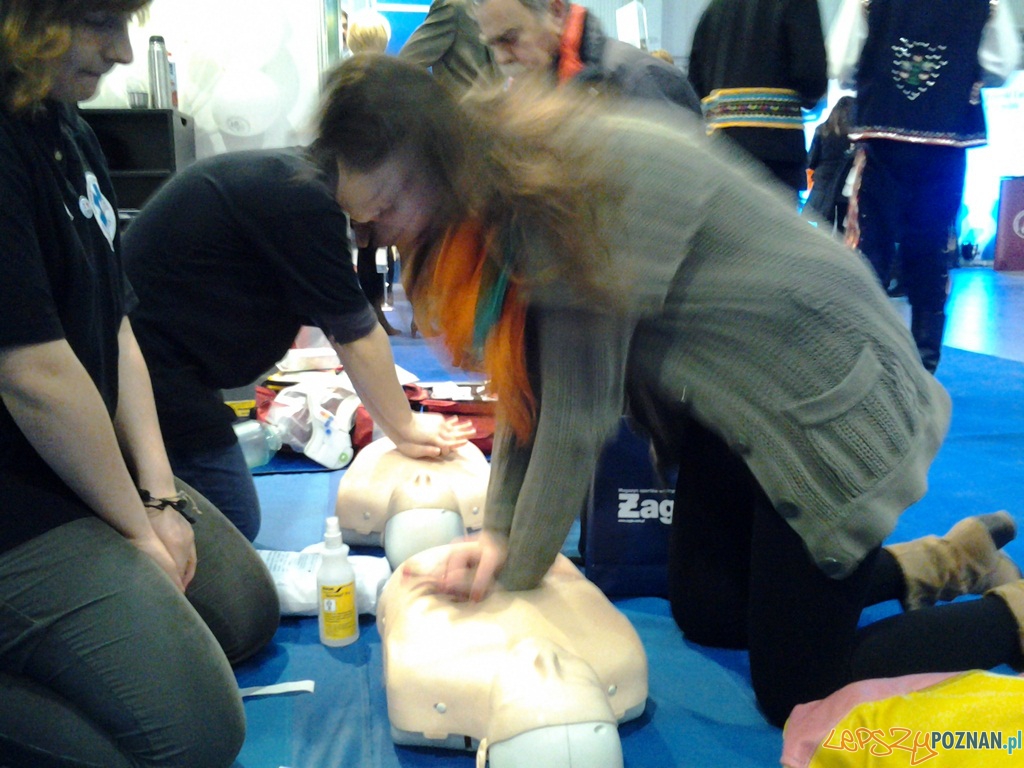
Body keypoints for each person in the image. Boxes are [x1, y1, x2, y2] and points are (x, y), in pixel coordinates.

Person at [312, 55, 1024, 729]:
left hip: (824, 402)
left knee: (801, 689)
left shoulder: (562, 190)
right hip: (736, 405)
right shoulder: (495, 191)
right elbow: (532, 392)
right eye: (366, 217)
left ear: (436, 158)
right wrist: (499, 537)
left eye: (390, 203)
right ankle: (940, 560)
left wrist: (512, 562)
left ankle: (1010, 614)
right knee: (709, 612)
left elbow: (579, 408)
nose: (383, 229)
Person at [0, 3, 280, 765]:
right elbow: (32, 371)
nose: (122, 52)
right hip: (18, 501)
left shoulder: (70, 130)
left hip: (74, 464)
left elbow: (113, 325)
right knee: (191, 737)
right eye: (98, 22)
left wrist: (158, 494)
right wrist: (133, 528)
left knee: (245, 613)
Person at [828, 0, 1020, 374]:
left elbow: (843, 65)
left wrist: (873, 75)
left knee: (872, 245)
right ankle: (924, 364)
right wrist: (958, 75)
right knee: (931, 247)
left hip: (884, 132)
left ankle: (865, 361)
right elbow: (1001, 66)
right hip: (945, 137)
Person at [688, 0, 828, 197]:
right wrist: (812, 99)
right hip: (775, 154)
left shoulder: (714, 8)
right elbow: (811, 76)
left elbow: (694, 84)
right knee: (774, 227)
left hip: (719, 153)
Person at [471, 0, 701, 114]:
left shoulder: (640, 79)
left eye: (510, 39)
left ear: (556, 12)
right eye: (492, 44)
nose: (501, 58)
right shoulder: (536, 87)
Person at [347, 9, 401, 336]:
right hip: (384, 170)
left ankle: (375, 316)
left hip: (359, 172)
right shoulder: (391, 77)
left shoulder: (346, 78)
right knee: (389, 245)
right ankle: (381, 314)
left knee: (367, 248)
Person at [399, 0, 502, 96]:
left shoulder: (502, 8)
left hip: (495, 110)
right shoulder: (455, 7)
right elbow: (406, 62)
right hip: (458, 110)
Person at [803, 95, 856, 232]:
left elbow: (811, 161)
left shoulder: (822, 130)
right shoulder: (856, 136)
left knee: (822, 228)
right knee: (841, 229)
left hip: (823, 184)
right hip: (845, 186)